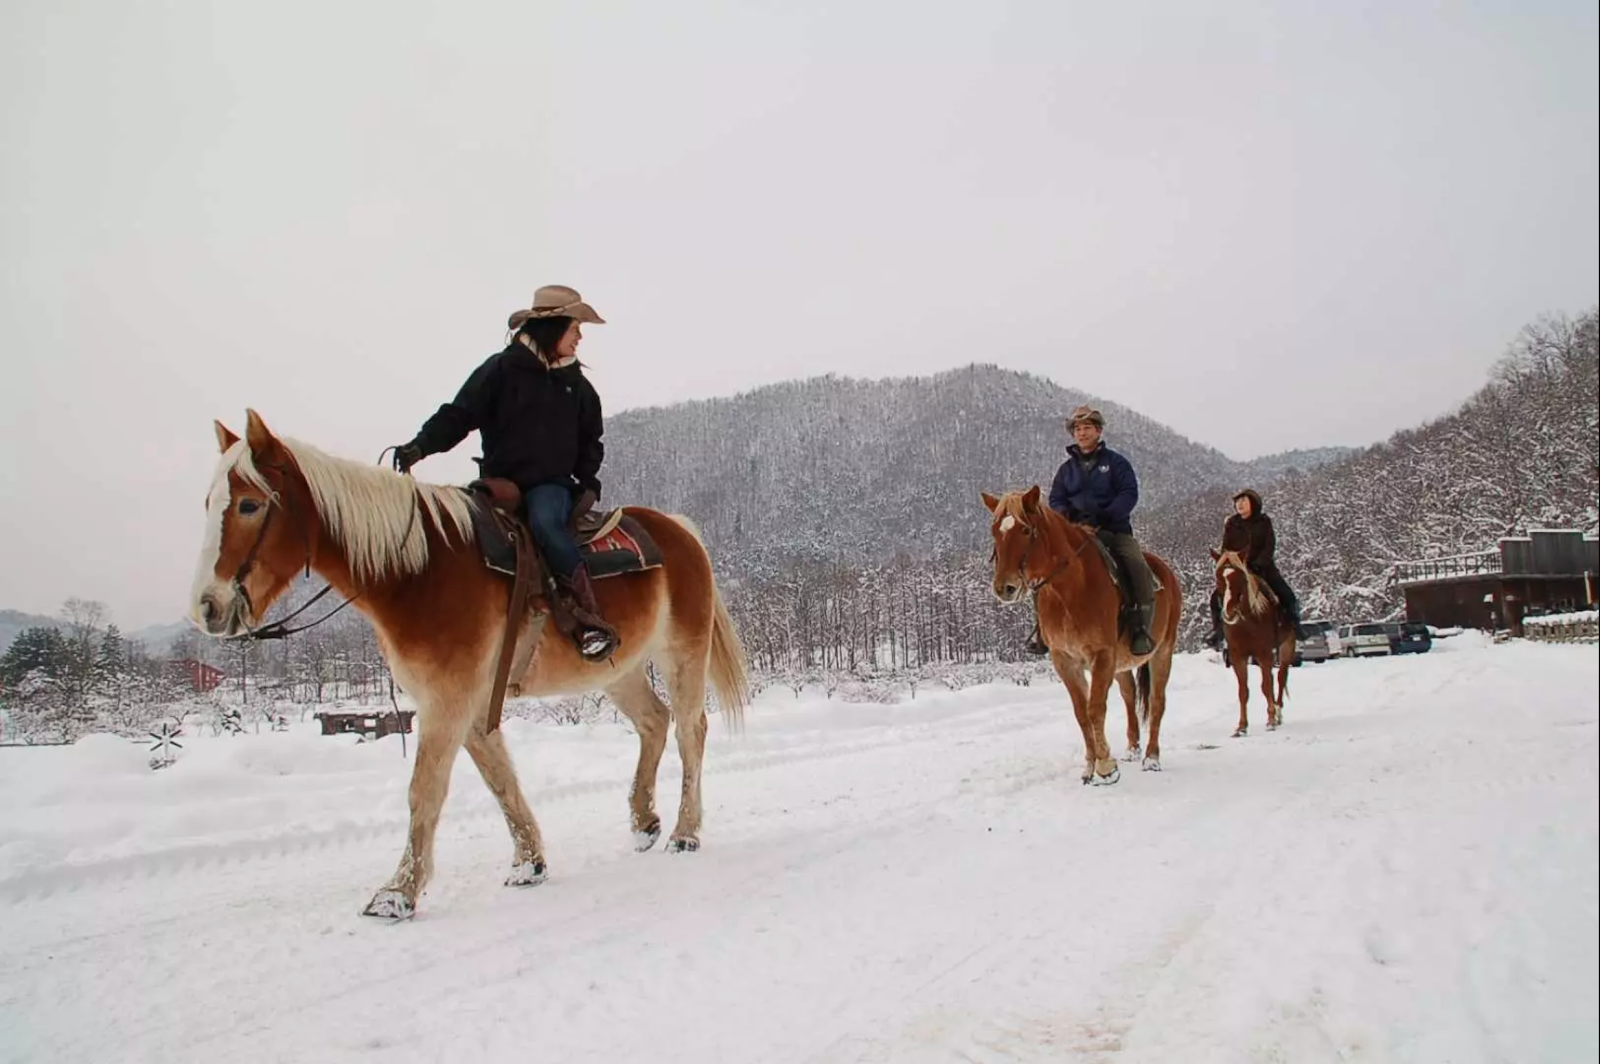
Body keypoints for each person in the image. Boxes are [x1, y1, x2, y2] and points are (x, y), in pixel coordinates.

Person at [391, 284, 617, 659]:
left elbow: (591, 441)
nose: (579, 337)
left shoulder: (579, 389)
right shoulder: (499, 370)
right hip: (500, 482)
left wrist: (587, 482)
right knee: (460, 527)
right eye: (575, 327)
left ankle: (587, 618)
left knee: (546, 523)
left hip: (551, 485)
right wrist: (421, 446)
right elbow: (459, 415)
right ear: (554, 327)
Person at [1025, 404, 1159, 656]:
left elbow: (1128, 494)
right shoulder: (1066, 471)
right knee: (1042, 571)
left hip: (1113, 531)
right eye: (1077, 429)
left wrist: (1105, 516)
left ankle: (1140, 628)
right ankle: (1042, 630)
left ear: (1098, 431)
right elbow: (1056, 500)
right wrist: (1068, 521)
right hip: (1075, 533)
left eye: (1087, 428)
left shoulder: (1117, 463)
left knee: (1137, 566)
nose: (1082, 433)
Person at [1204, 488, 1310, 649]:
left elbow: (1269, 546)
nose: (1239, 505)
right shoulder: (1232, 523)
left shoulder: (1264, 521)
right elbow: (1226, 547)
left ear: (1253, 503)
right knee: (1215, 598)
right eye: (1237, 502)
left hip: (1263, 568)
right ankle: (1218, 630)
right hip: (1238, 570)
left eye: (1243, 501)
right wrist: (1227, 563)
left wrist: (1259, 564)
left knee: (1287, 593)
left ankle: (1295, 625)